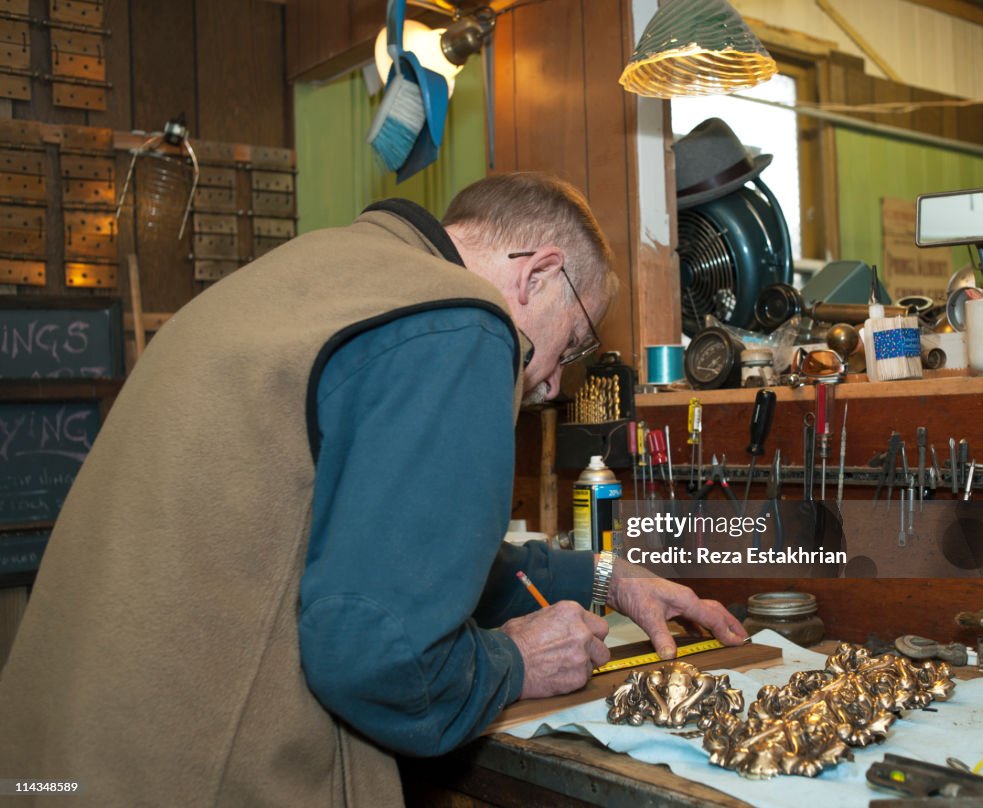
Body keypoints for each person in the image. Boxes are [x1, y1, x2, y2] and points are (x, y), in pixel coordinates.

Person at [0, 172, 747, 806]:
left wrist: (605, 578)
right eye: (575, 343)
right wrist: (517, 664)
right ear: (537, 274)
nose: (552, 382)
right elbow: (383, 658)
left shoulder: (323, 275)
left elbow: (381, 551)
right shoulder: (461, 322)